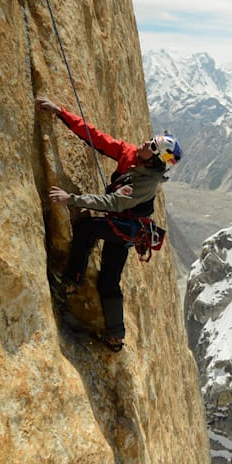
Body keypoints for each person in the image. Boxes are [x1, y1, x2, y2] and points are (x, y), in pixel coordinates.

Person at [35, 96, 183, 352]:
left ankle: (72, 281)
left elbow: (114, 202)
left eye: (151, 145)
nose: (145, 142)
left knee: (88, 229)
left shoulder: (146, 184)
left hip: (126, 227)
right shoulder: (130, 154)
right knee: (109, 278)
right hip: (124, 224)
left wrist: (71, 199)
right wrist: (60, 113)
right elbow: (96, 138)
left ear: (155, 160)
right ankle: (114, 333)